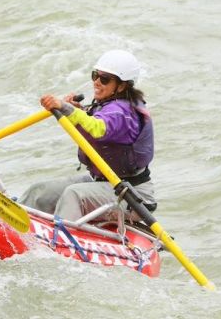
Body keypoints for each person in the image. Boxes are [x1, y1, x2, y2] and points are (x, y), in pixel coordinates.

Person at [18, 49, 155, 222]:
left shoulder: (123, 114)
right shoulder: (107, 105)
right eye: (95, 76)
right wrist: (75, 110)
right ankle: (13, 222)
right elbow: (92, 126)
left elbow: (97, 129)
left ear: (121, 86)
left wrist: (67, 108)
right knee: (40, 191)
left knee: (73, 194)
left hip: (131, 195)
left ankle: (59, 240)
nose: (97, 82)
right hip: (102, 182)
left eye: (104, 79)